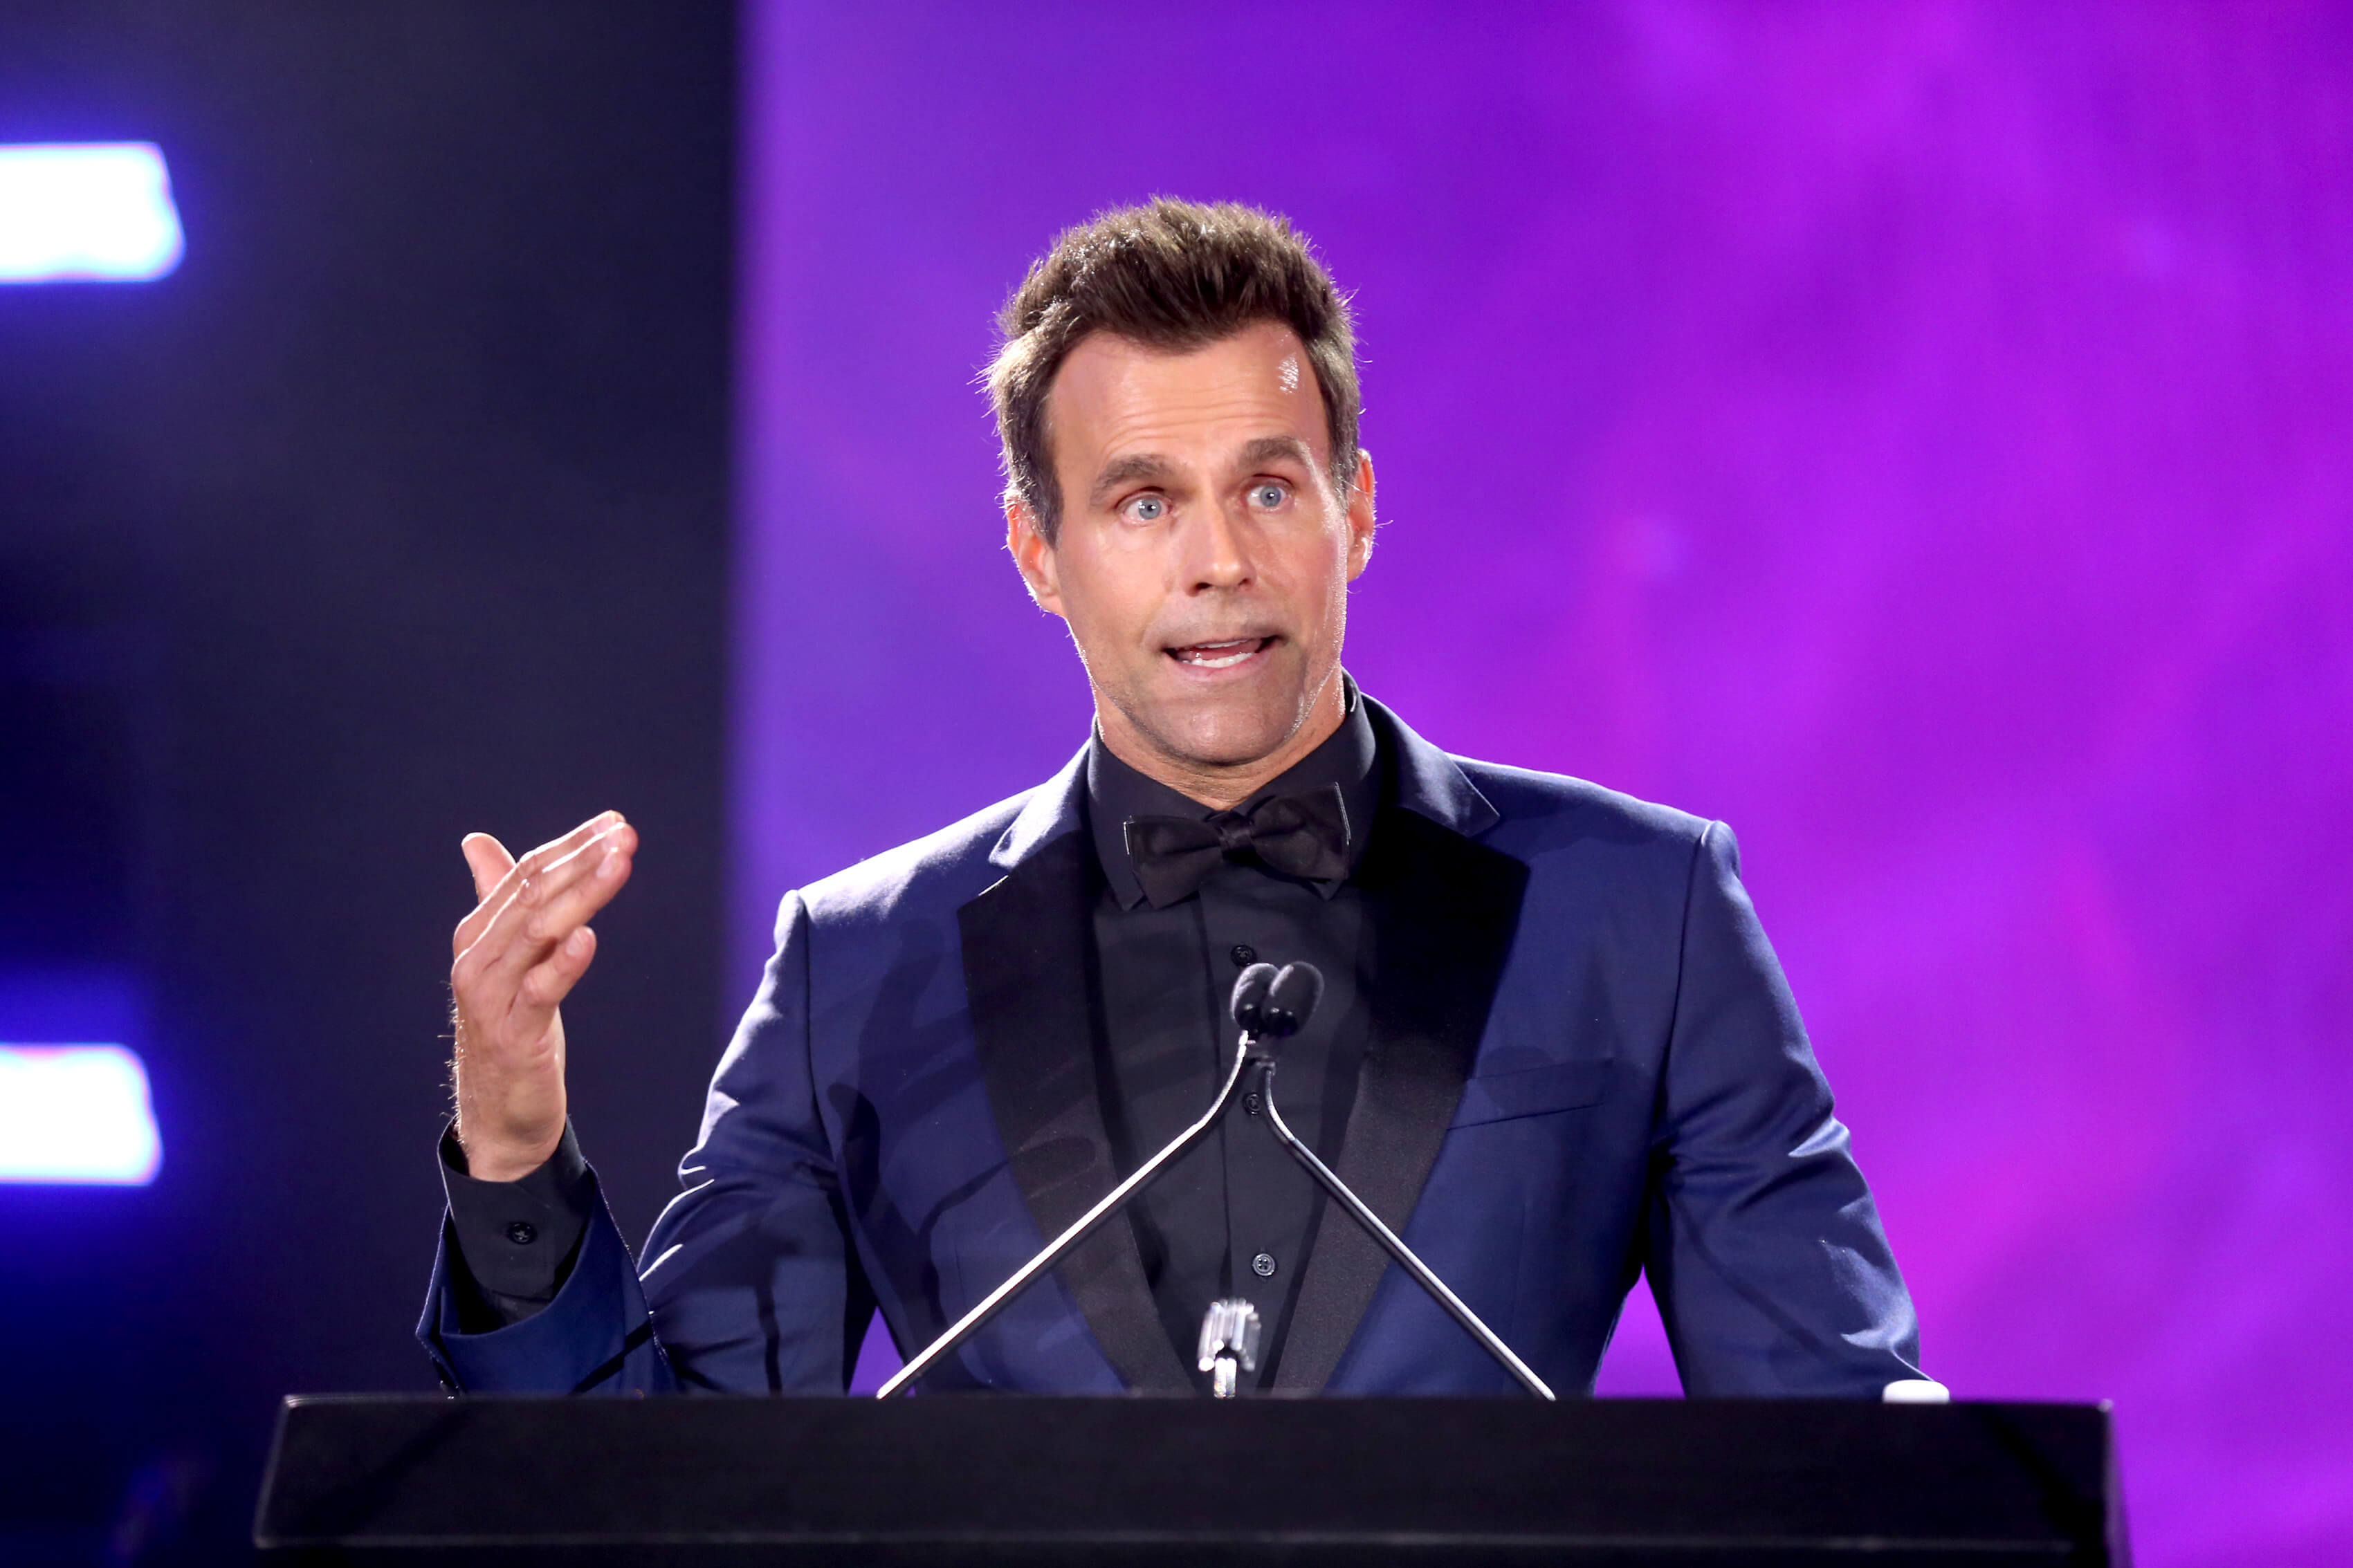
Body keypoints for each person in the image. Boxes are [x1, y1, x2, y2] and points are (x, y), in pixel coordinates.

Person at [423, 199, 1928, 1399]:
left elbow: (1838, 1451)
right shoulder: (856, 966)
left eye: (1271, 487)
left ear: (1358, 509)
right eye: (1146, 501)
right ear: (1037, 550)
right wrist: (511, 1142)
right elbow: (661, 1499)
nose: (1220, 561)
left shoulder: (1640, 912)